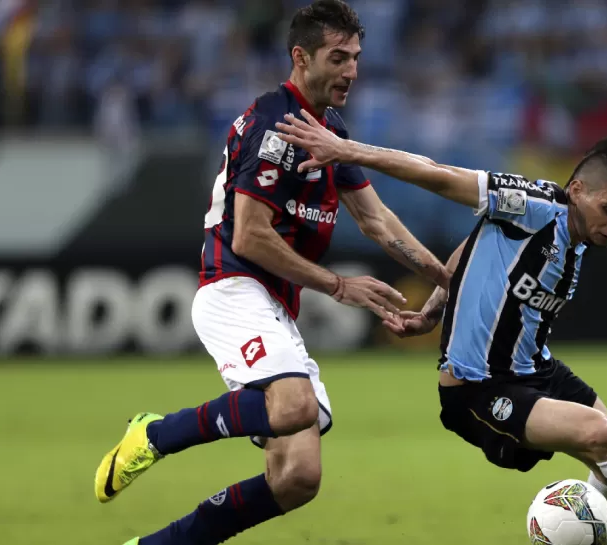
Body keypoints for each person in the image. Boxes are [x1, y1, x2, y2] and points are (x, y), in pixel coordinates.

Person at [273, 111, 607, 545]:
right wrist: (346, 150)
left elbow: (475, 247)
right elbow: (437, 172)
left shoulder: (576, 239)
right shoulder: (534, 203)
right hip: (478, 388)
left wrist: (432, 310)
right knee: (601, 435)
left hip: (536, 369)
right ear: (577, 189)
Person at [93, 2, 449, 544]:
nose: (352, 70)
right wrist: (338, 285)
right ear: (301, 57)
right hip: (231, 287)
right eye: (339, 57)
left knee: (298, 477)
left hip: (275, 304)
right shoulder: (274, 126)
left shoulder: (327, 131)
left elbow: (376, 221)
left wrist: (445, 277)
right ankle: (155, 434)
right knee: (294, 404)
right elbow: (249, 236)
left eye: (356, 57)